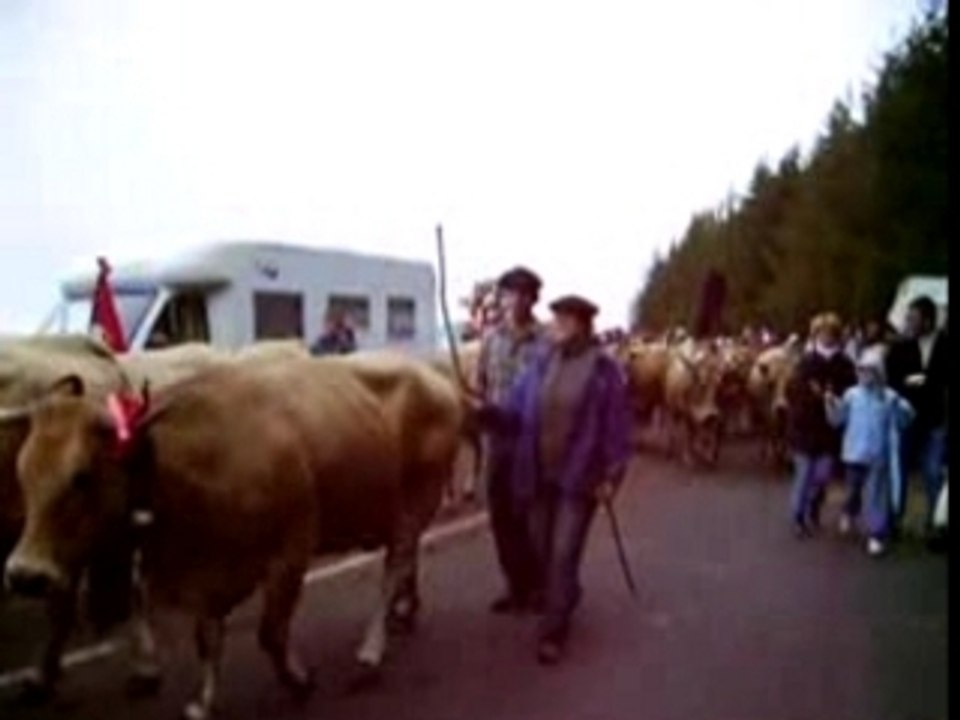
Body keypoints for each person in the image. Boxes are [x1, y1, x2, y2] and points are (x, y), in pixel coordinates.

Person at [479, 294, 632, 664]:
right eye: (556, 319)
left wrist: (613, 474)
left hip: (579, 480)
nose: (556, 326)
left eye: (564, 320)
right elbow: (516, 409)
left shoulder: (603, 371)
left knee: (563, 553)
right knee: (543, 550)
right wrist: (488, 414)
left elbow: (617, 429)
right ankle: (565, 594)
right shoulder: (542, 363)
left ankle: (553, 632)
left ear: (583, 325)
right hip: (538, 475)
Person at [475, 266, 549, 614]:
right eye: (509, 293)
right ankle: (515, 585)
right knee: (500, 516)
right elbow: (481, 385)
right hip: (497, 442)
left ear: (534, 299)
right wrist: (479, 410)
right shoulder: (491, 339)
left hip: (531, 443)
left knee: (532, 518)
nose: (515, 301)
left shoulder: (546, 342)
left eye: (523, 294)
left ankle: (539, 586)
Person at [826, 347, 914, 556]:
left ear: (879, 372)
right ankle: (849, 511)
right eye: (861, 370)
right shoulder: (851, 395)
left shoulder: (889, 396)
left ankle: (876, 534)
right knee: (853, 490)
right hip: (854, 453)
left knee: (876, 494)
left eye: (870, 371)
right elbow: (837, 419)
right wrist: (831, 404)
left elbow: (905, 419)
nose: (865, 375)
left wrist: (900, 407)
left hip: (878, 454)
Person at [786, 312, 857, 536]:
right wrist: (812, 395)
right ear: (815, 334)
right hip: (804, 426)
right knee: (804, 474)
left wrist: (831, 396)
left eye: (831, 332)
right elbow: (792, 390)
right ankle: (798, 516)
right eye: (822, 332)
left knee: (823, 475)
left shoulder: (845, 364)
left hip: (829, 429)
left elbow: (851, 392)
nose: (827, 336)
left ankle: (814, 507)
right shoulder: (805, 362)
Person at [884, 295, 948, 537]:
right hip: (905, 417)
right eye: (908, 318)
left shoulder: (944, 344)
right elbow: (891, 380)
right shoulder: (900, 346)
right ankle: (894, 520)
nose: (909, 323)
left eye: (914, 318)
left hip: (934, 418)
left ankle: (935, 523)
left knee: (932, 471)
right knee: (898, 469)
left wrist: (928, 381)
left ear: (928, 320)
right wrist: (907, 383)